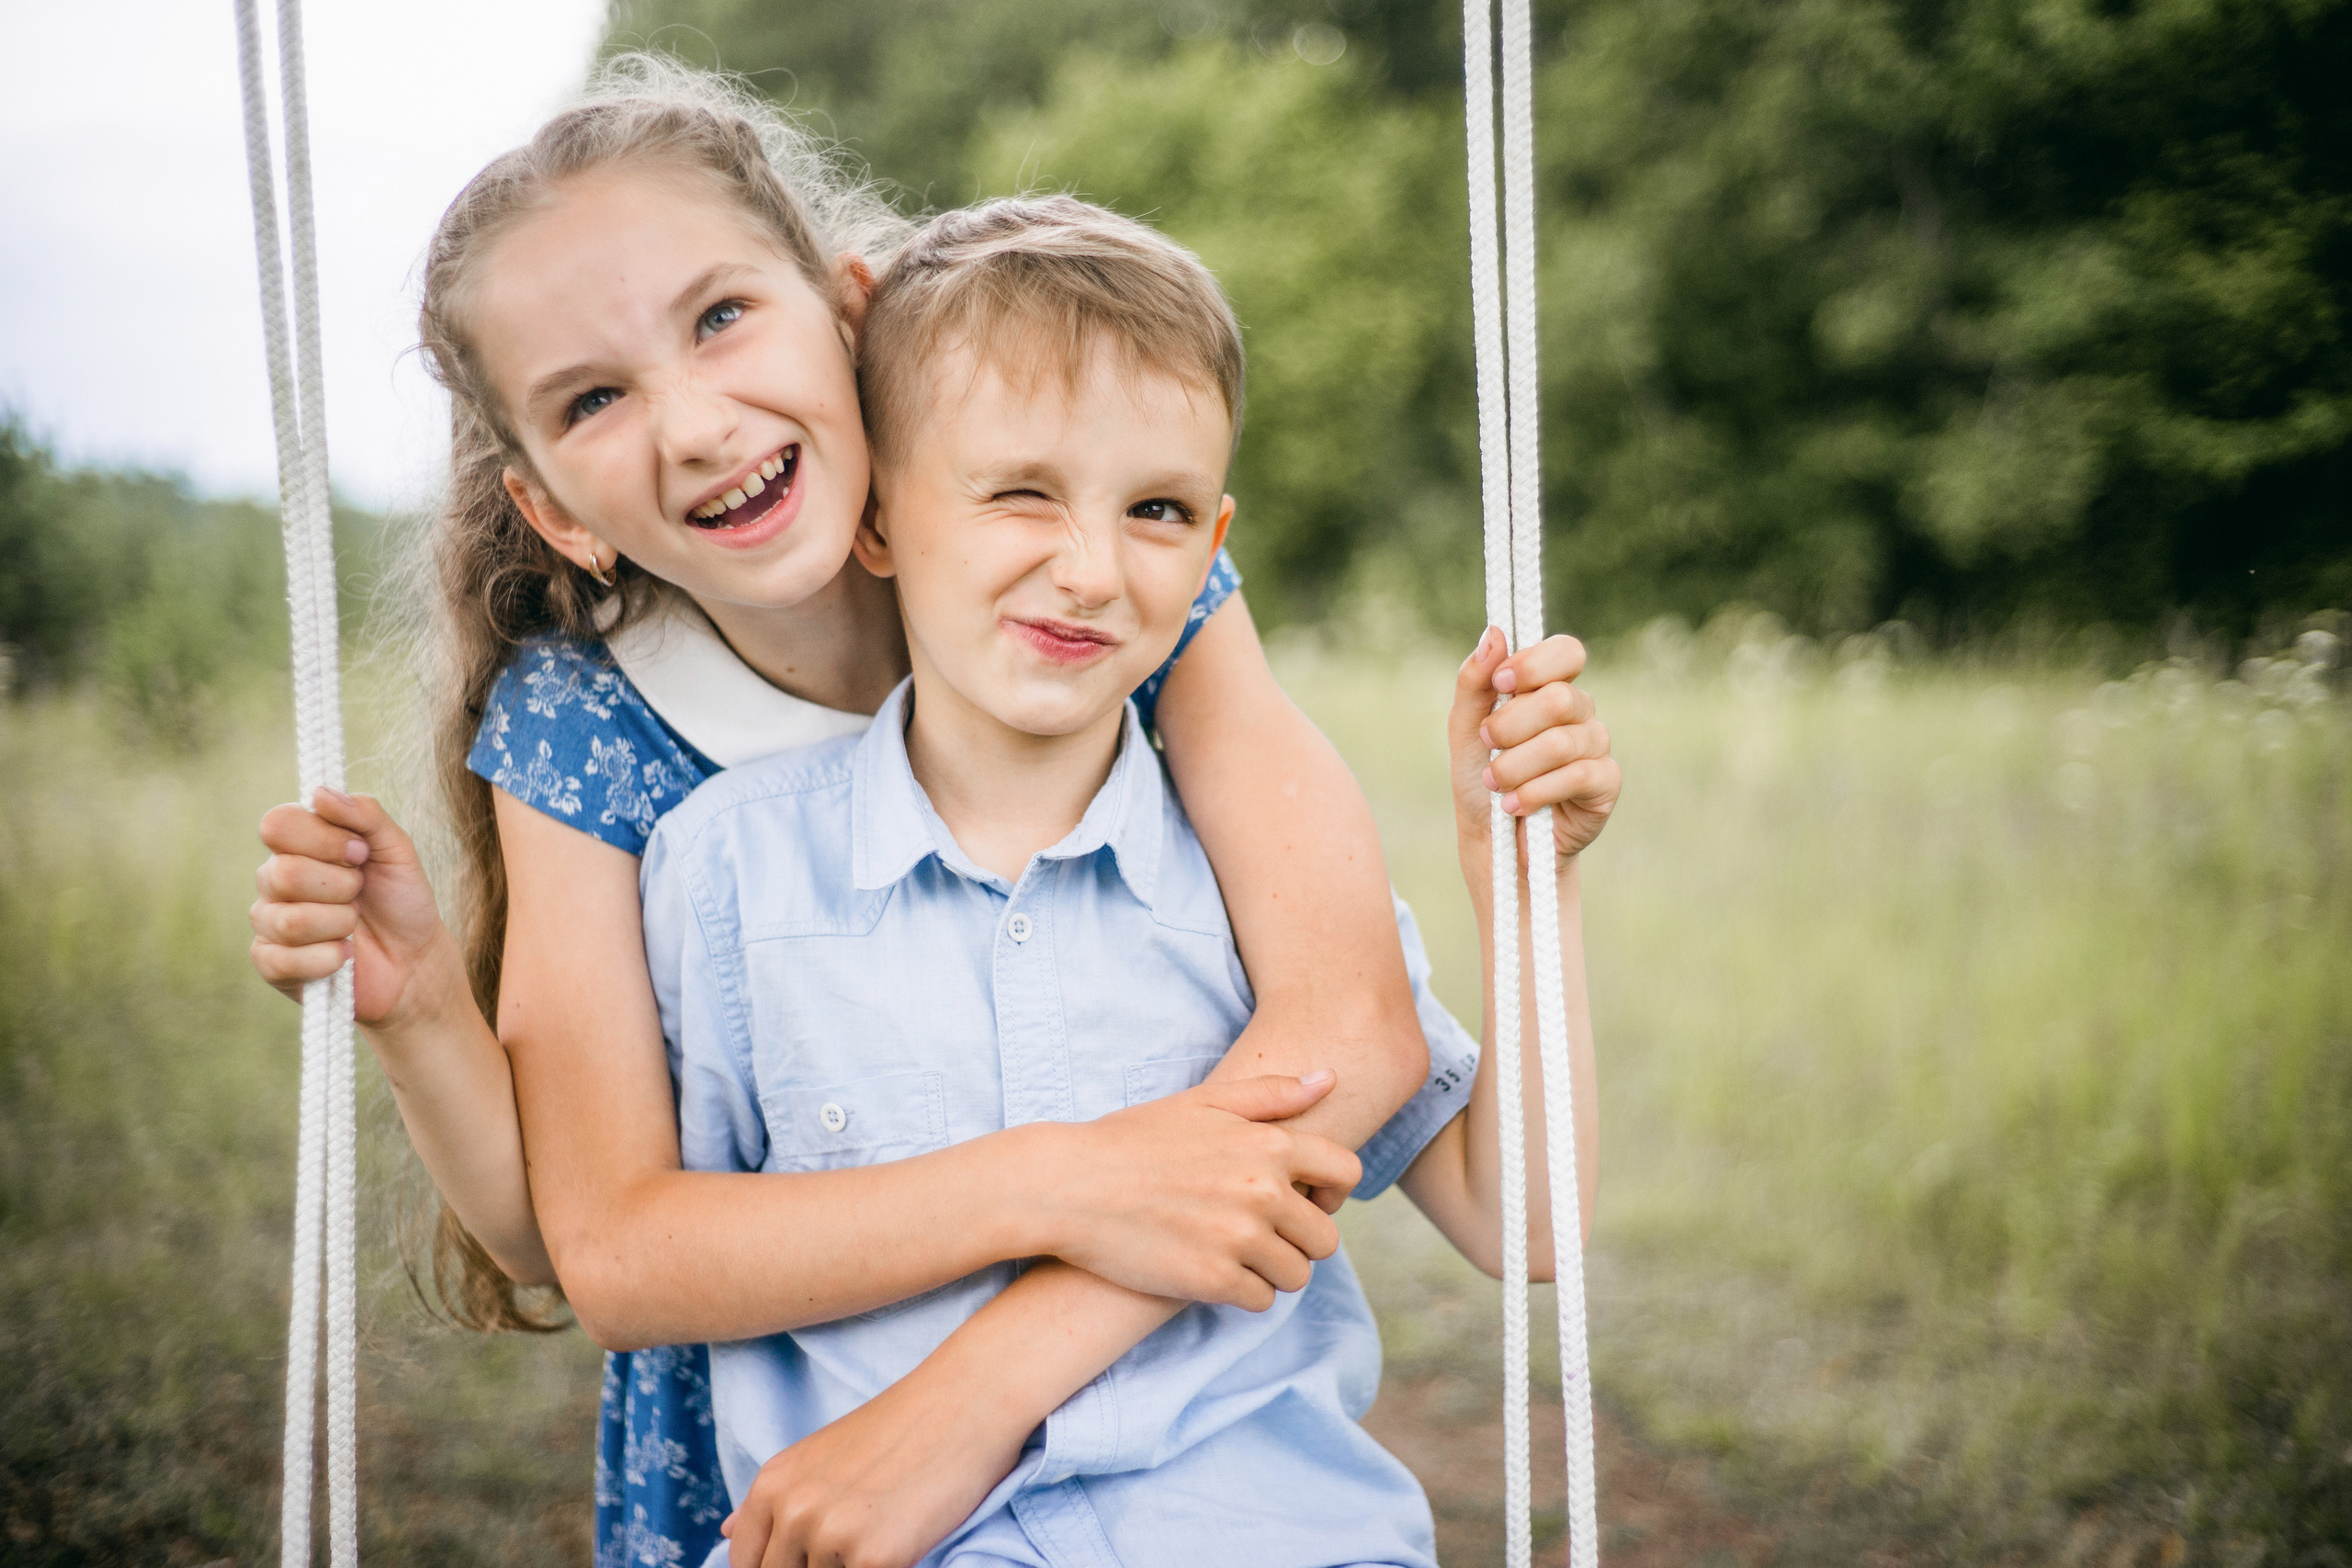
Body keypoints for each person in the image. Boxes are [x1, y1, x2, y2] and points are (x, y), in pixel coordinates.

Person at [245, 59, 1617, 1568]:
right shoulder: (613, 749)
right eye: (594, 398)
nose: (698, 423)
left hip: (1173, 1485)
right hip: (797, 1478)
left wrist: (968, 1405)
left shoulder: (1103, 594)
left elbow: (1354, 1034)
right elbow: (584, 1237)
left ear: (846, 309)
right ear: (554, 503)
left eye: (720, 317)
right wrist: (428, 1007)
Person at [650, 191, 1601, 1568]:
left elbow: (1520, 1224)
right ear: (877, 522)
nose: (1092, 569)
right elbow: (643, 1243)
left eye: (1154, 510)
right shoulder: (729, 874)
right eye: (1021, 491)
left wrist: (1523, 884)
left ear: (1213, 550)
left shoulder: (1260, 889)